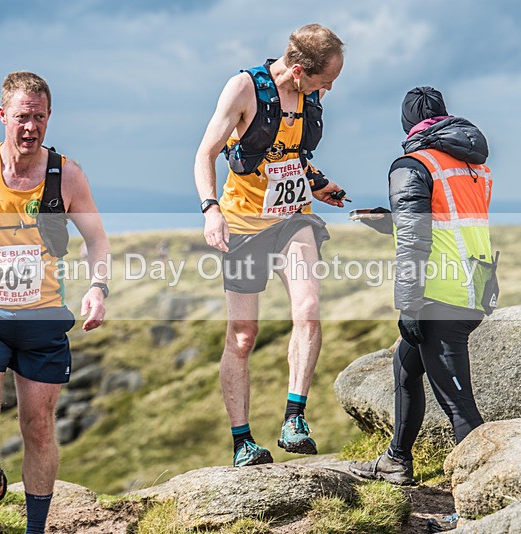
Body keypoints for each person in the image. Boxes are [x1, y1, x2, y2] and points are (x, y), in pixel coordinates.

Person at [0, 72, 110, 533]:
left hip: (43, 320)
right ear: (3, 116)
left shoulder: (67, 175)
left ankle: (35, 528)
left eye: (39, 117)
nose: (31, 127)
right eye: (22, 117)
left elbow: (97, 240)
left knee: (38, 426)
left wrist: (98, 287)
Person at [194, 24, 347, 467]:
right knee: (243, 337)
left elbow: (290, 154)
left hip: (293, 218)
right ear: (298, 71)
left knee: (308, 309)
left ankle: (294, 419)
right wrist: (210, 209)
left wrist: (316, 183)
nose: (330, 89)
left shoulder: (311, 95)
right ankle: (243, 441)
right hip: (242, 223)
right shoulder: (243, 89)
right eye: (324, 81)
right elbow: (205, 153)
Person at [349, 87, 494, 488]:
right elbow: (446, 223)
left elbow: (416, 240)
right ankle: (397, 459)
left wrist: (409, 306)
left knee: (460, 408)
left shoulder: (412, 164)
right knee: (405, 369)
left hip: (438, 297)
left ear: (407, 123)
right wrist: (389, 218)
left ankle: (482, 500)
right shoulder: (472, 165)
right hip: (474, 287)